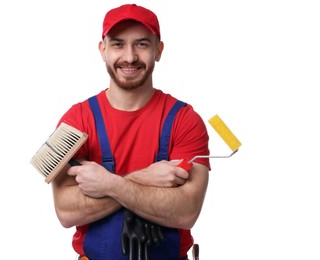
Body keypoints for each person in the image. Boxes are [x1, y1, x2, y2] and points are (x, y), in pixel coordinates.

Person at [52, 4, 210, 260]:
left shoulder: (185, 120)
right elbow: (66, 212)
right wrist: (146, 177)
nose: (130, 56)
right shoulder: (75, 120)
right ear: (102, 50)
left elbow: (187, 211)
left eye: (142, 44)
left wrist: (108, 183)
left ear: (158, 50)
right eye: (117, 44)